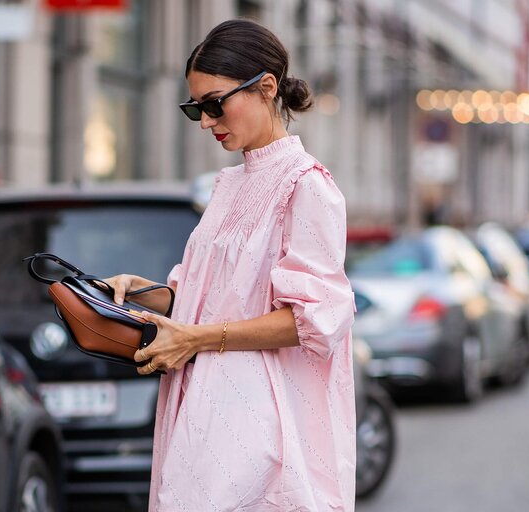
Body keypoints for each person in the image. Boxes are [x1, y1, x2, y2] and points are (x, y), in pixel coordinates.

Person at [105, 19, 357, 511]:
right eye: (195, 107)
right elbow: (208, 300)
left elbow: (314, 319)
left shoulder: (307, 186)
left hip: (264, 426)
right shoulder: (227, 186)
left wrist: (196, 339)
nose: (205, 120)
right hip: (203, 410)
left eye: (215, 103)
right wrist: (141, 292)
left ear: (266, 88)